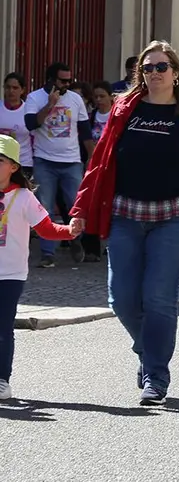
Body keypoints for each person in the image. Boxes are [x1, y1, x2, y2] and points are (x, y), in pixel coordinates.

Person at [70, 41, 179, 406]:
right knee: (122, 298)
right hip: (125, 214)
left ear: (176, 73)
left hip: (176, 216)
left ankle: (156, 377)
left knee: (158, 298)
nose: (154, 73)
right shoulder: (123, 109)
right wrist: (81, 209)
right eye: (148, 68)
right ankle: (146, 351)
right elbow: (99, 163)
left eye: (161, 67)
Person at [0, 134, 79, 400]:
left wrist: (70, 231)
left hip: (10, 275)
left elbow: (46, 230)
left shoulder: (24, 197)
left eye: (0, 160)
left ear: (13, 166)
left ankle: (2, 380)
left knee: (2, 328)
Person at [25, 62, 91, 268]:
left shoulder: (75, 99)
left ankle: (76, 240)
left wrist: (93, 158)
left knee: (75, 206)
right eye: (63, 80)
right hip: (44, 161)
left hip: (71, 161)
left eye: (70, 80)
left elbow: (86, 131)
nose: (67, 84)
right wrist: (50, 105)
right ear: (51, 80)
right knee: (45, 208)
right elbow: (30, 124)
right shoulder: (34, 98)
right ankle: (48, 253)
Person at [0, 73, 32, 178]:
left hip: (23, 162)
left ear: (22, 90)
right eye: (8, 87)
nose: (11, 91)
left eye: (15, 88)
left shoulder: (29, 110)